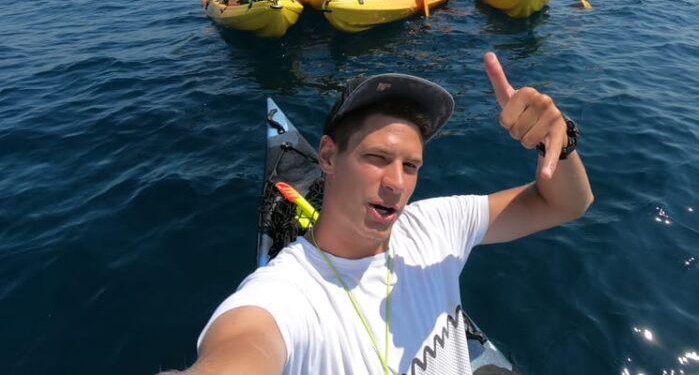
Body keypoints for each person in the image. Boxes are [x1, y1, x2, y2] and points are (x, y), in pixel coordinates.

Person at [179, 52, 592, 374]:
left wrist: (559, 142)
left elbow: (567, 203)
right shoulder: (285, 294)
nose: (397, 183)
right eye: (377, 158)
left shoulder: (435, 225)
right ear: (328, 156)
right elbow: (241, 348)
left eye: (410, 165)